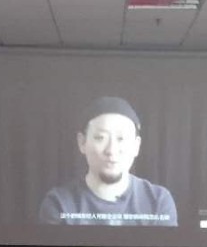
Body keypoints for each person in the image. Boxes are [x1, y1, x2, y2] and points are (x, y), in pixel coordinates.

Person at [39, 97, 178, 228]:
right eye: (100, 138)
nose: (111, 150)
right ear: (82, 143)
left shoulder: (158, 201)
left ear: (136, 146)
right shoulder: (59, 204)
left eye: (121, 138)